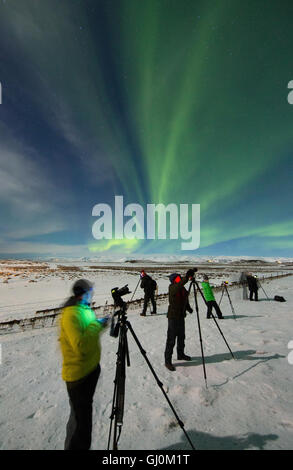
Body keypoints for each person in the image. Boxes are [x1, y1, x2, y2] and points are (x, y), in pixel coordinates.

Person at [59, 279, 109, 450]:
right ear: (82, 293)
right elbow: (80, 345)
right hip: (79, 376)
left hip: (89, 371)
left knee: (82, 419)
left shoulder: (83, 309)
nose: (92, 294)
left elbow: (89, 334)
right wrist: (97, 325)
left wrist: (99, 324)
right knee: (81, 427)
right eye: (90, 291)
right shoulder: (71, 314)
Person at [164, 270, 194, 371]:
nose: (179, 279)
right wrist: (186, 278)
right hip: (173, 317)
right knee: (171, 339)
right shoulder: (172, 287)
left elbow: (185, 298)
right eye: (178, 278)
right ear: (173, 280)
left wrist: (188, 308)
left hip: (181, 316)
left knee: (181, 337)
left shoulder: (182, 288)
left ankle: (180, 354)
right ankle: (167, 361)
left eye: (179, 278)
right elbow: (179, 286)